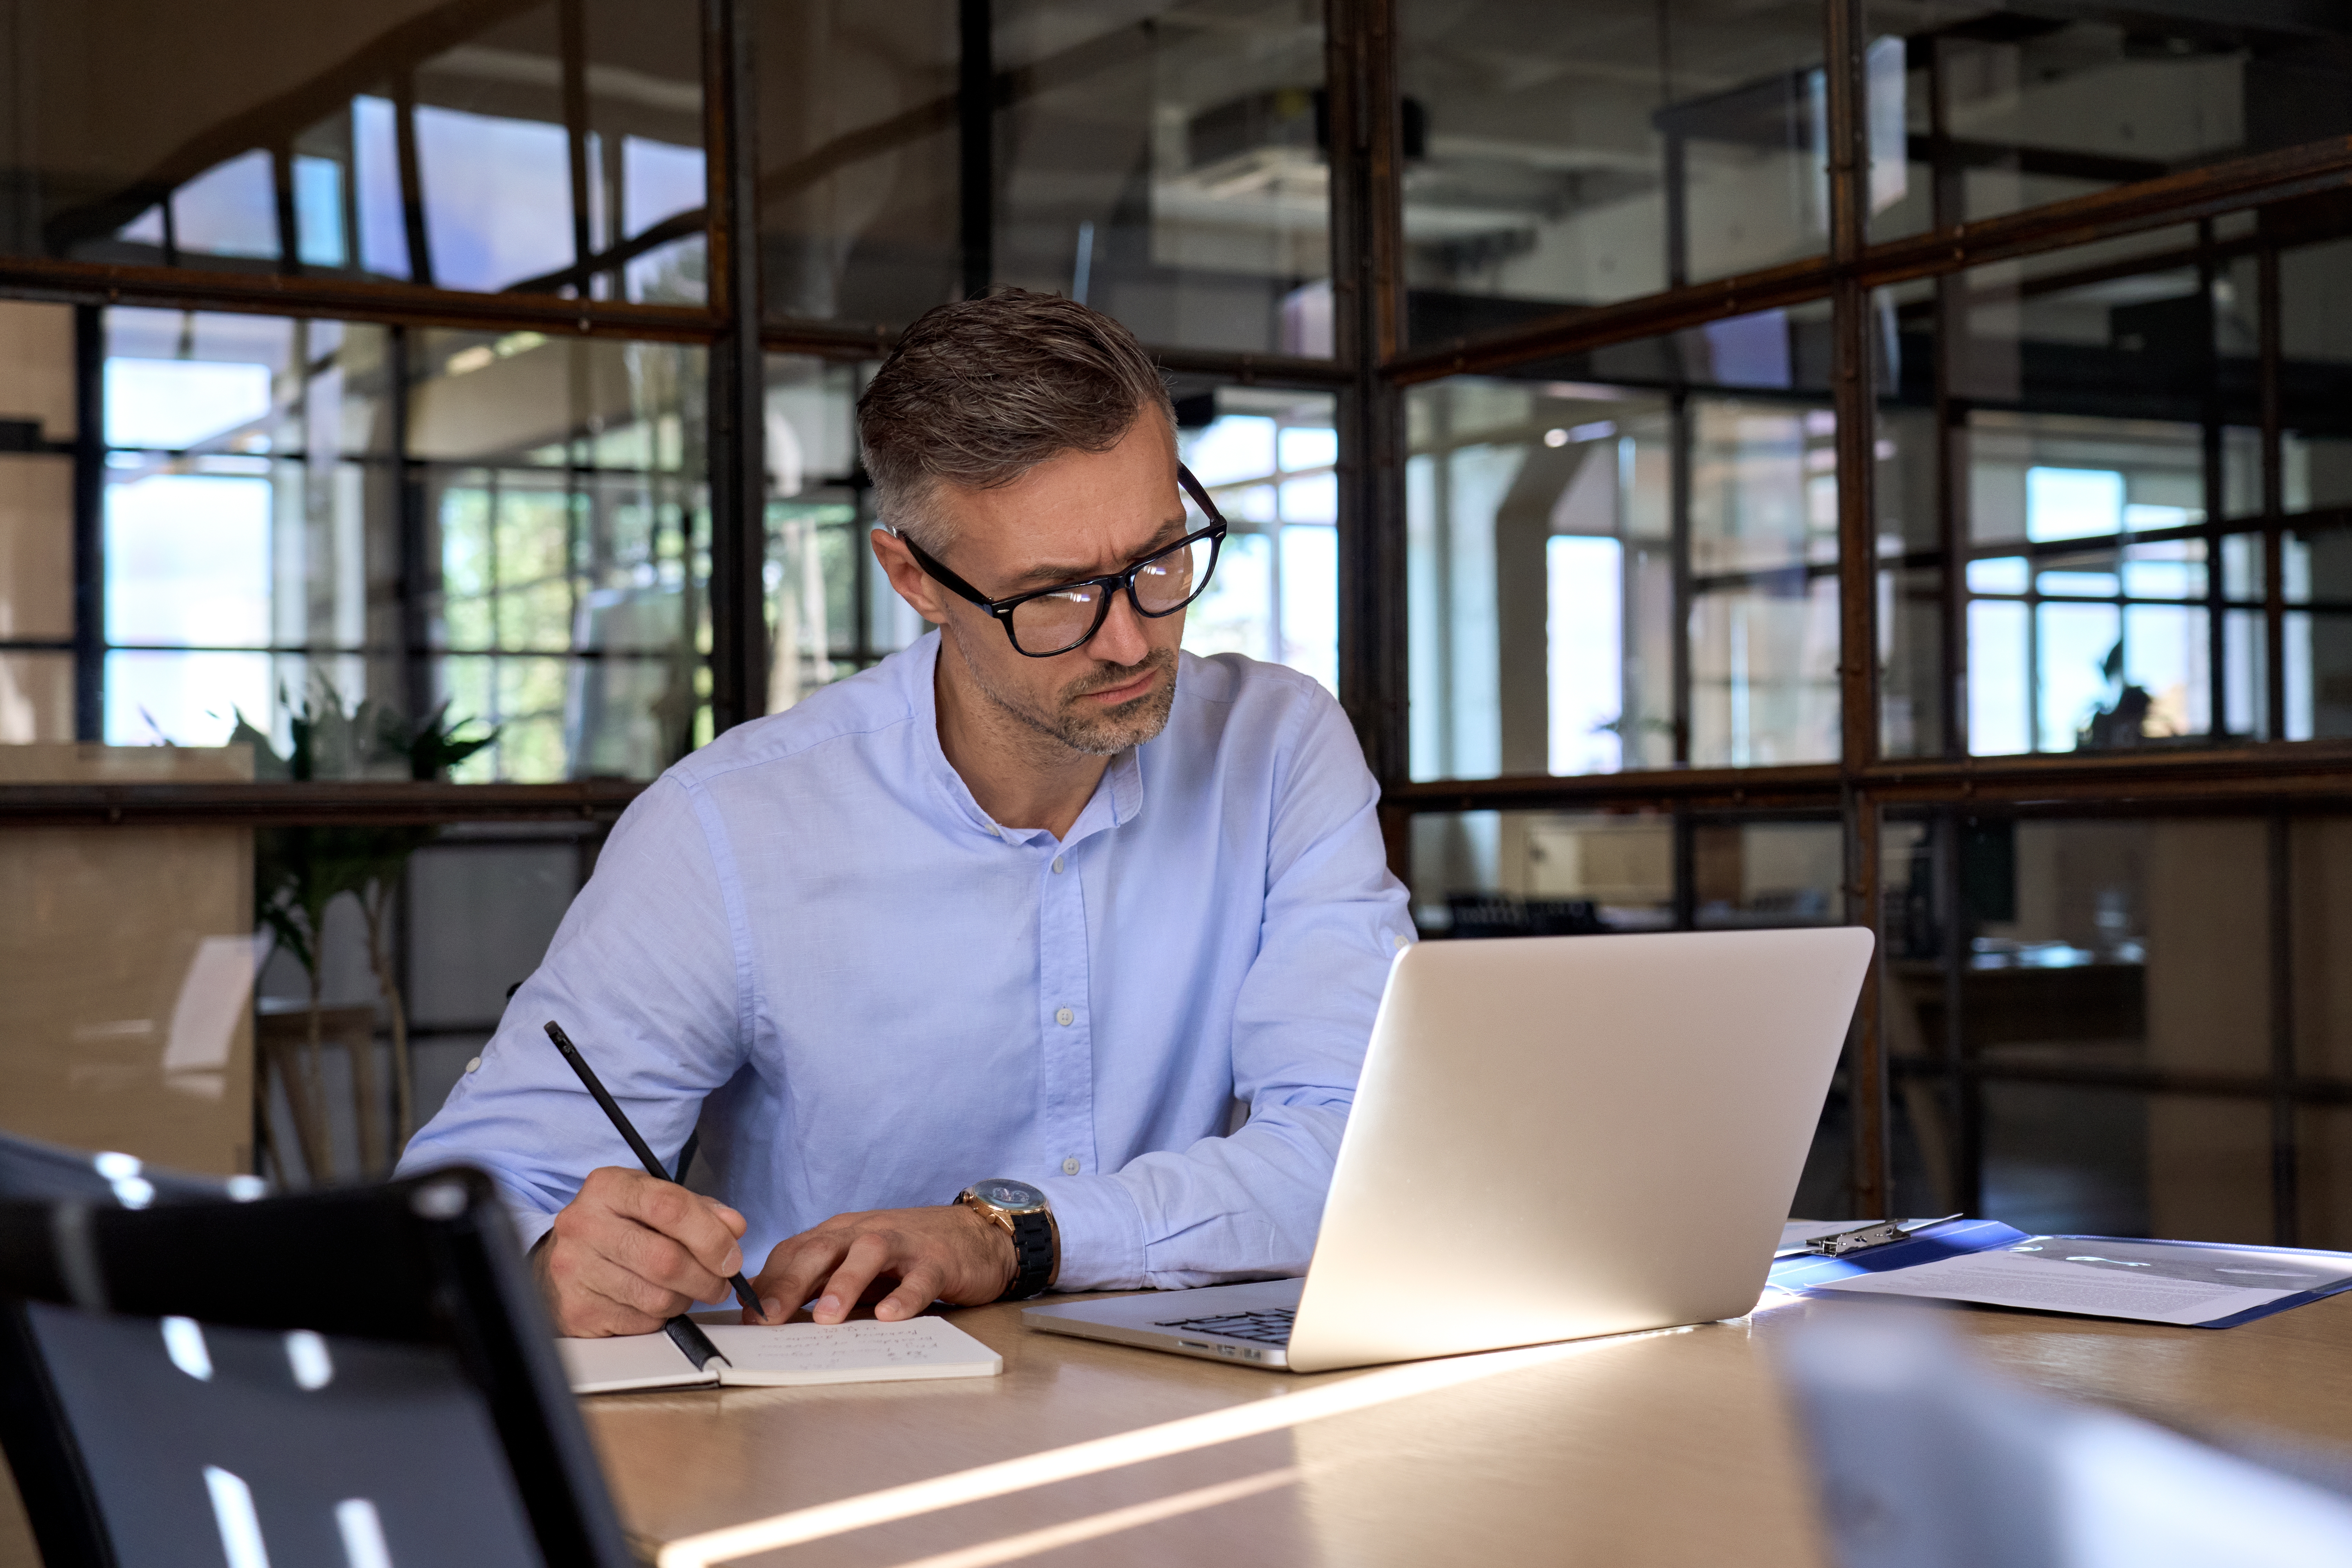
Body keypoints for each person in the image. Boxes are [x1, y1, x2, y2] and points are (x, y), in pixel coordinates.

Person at [398, 289, 1411, 1337]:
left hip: (1191, 1417)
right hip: (834, 1433)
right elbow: (467, 1197)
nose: (1129, 640)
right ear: (914, 579)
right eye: (1056, 594)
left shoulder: (1278, 745)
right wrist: (542, 1260)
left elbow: (1360, 1146)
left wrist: (1013, 1236)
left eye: (1158, 557)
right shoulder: (730, 829)